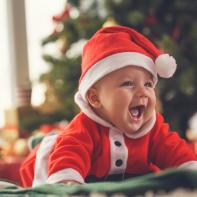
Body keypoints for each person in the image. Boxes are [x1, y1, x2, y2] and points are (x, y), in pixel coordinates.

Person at [20, 25, 197, 187]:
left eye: (148, 84)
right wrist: (68, 181)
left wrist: (191, 169)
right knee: (51, 152)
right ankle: (42, 142)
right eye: (128, 83)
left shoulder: (152, 127)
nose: (143, 92)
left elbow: (176, 152)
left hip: (127, 179)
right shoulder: (84, 127)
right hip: (65, 164)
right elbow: (69, 156)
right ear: (95, 98)